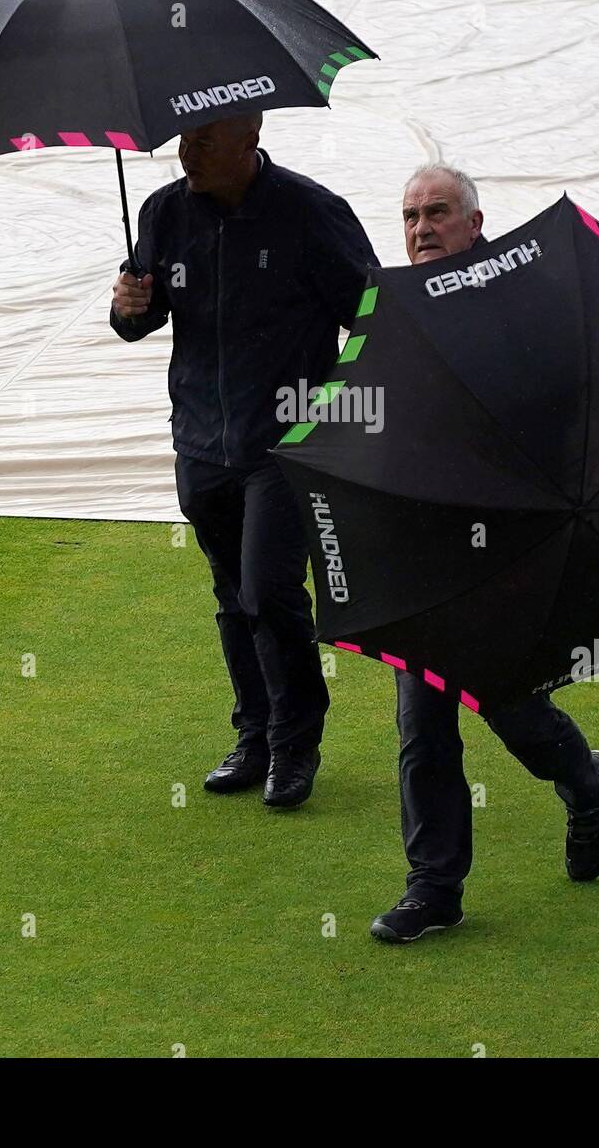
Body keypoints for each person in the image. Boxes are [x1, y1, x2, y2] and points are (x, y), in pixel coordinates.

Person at [370, 164, 599, 943]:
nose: (420, 229)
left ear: (476, 223)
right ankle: (433, 889)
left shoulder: (524, 308)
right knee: (423, 723)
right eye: (409, 215)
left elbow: (570, 414)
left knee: (510, 708)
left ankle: (585, 782)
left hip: (509, 549)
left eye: (437, 212)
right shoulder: (386, 311)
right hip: (423, 553)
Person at [110, 112, 379, 808]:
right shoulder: (164, 212)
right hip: (200, 440)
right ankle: (253, 734)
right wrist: (128, 308)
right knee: (233, 597)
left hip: (288, 443)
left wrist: (341, 416)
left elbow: (376, 319)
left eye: (201, 140)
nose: (184, 152)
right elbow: (142, 316)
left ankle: (295, 742)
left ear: (248, 138)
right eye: (182, 139)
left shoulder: (311, 214)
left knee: (268, 591)